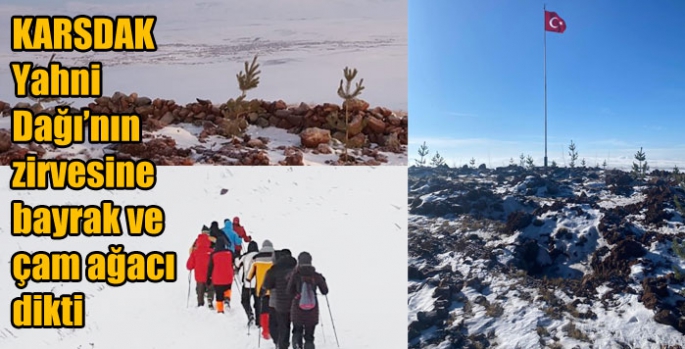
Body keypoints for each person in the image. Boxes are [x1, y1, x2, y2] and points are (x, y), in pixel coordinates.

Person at [287, 252, 328, 349]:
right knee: (309, 337)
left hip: (297, 310)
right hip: (312, 311)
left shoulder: (295, 275)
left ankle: (297, 345)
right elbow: (325, 291)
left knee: (297, 331)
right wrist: (322, 280)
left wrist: (296, 294)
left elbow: (289, 291)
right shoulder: (316, 276)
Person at [262, 249, 297, 349]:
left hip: (280, 303)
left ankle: (282, 345)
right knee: (296, 326)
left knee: (283, 327)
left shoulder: (275, 269)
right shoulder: (296, 269)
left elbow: (267, 285)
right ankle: (297, 343)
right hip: (296, 302)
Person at [247, 240, 275, 339]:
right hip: (273, 288)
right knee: (273, 309)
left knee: (264, 310)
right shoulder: (274, 257)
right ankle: (274, 328)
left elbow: (250, 274)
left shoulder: (257, 258)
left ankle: (265, 331)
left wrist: (249, 278)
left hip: (261, 288)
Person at [185, 230, 215, 308]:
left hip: (199, 275)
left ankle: (200, 303)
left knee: (200, 289)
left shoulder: (195, 252)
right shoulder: (212, 252)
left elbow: (189, 265)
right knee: (211, 287)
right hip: (210, 274)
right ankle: (210, 299)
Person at [236, 240, 260, 325]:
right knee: (258, 302)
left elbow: (237, 263)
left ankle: (250, 315)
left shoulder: (245, 256)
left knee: (245, 301)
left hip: (247, 283)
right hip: (258, 284)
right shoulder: (260, 256)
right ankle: (258, 321)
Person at [207, 243, 234, 313]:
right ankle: (227, 299)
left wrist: (208, 278)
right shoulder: (230, 253)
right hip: (228, 276)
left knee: (219, 294)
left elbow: (210, 267)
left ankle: (220, 310)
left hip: (217, 278)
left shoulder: (213, 254)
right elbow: (233, 262)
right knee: (228, 288)